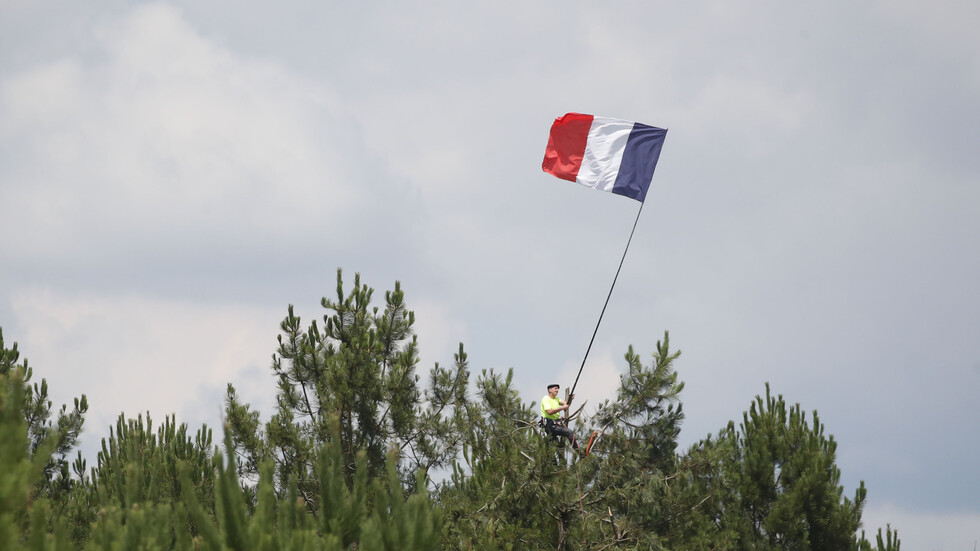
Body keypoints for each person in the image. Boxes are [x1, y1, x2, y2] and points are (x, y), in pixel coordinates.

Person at [540, 383, 578, 448]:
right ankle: (579, 451)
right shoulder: (546, 398)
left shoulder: (556, 399)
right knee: (569, 432)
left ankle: (551, 457)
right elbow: (549, 411)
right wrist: (562, 408)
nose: (557, 390)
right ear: (550, 390)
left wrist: (570, 399)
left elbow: (566, 404)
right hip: (549, 425)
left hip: (554, 425)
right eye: (555, 388)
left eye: (558, 389)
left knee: (554, 446)